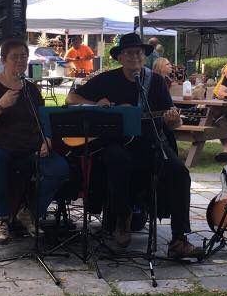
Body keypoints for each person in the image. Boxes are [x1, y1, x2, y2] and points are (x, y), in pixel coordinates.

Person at [66, 32, 204, 259]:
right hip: (117, 143)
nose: (135, 57)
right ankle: (122, 217)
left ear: (144, 56)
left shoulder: (156, 81)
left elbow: (175, 121)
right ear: (120, 57)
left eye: (139, 53)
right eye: (129, 53)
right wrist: (96, 104)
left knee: (180, 172)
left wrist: (173, 120)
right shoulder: (107, 79)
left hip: (152, 142)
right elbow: (71, 99)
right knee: (116, 159)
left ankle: (179, 239)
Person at [0, 39, 71, 243]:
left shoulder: (31, 89)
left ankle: (30, 211)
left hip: (27, 146)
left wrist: (47, 139)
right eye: (15, 56)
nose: (20, 60)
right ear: (4, 60)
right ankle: (2, 218)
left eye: (23, 56)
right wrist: (0, 105)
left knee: (59, 168)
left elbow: (43, 119)